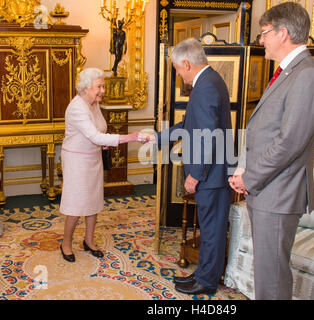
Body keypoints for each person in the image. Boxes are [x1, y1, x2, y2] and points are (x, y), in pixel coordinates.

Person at [229, 2, 314, 300]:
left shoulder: (307, 74)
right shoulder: (289, 72)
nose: (261, 41)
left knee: (271, 279)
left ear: (283, 33)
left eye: (265, 33)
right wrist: (245, 168)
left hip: (279, 192)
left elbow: (289, 142)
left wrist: (251, 177)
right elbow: (267, 131)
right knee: (267, 274)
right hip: (269, 189)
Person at [155, 38, 233, 295]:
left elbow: (208, 135)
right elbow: (189, 125)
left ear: (186, 63)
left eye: (177, 69)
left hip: (211, 174)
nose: (178, 75)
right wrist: (156, 138)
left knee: (211, 230)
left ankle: (207, 281)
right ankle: (202, 274)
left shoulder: (206, 87)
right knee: (209, 228)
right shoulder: (210, 81)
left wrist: (195, 175)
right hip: (213, 173)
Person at [59, 67, 146, 263]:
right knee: (76, 204)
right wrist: (130, 137)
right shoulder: (76, 107)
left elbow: (99, 131)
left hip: (93, 157)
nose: (103, 91)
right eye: (99, 86)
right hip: (76, 161)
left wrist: (105, 141)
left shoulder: (93, 104)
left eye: (103, 86)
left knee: (93, 201)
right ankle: (66, 243)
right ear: (86, 87)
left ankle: (88, 241)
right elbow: (94, 135)